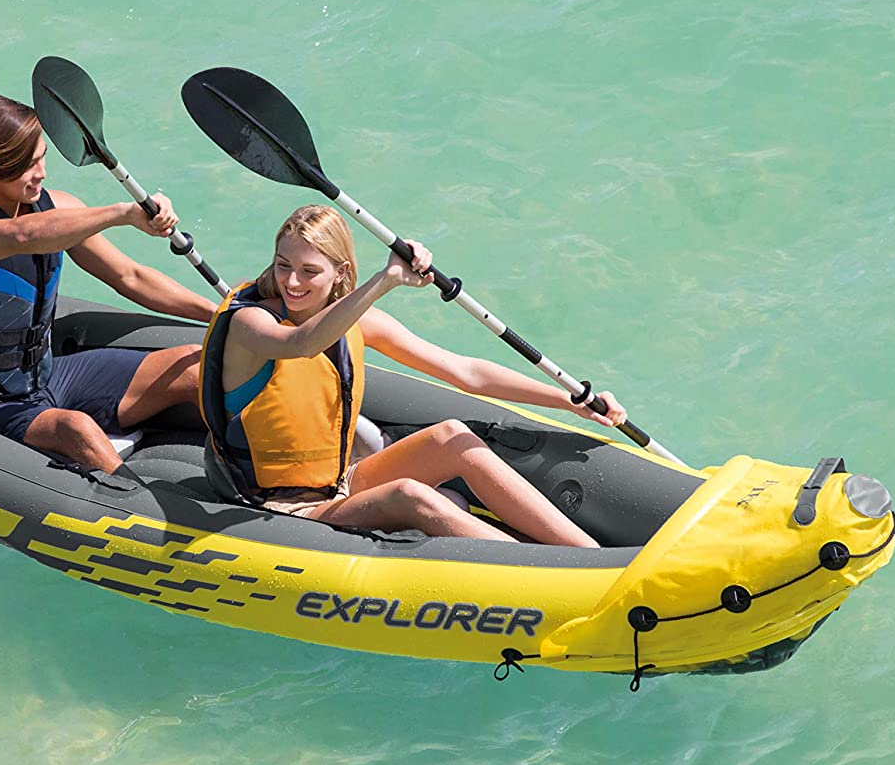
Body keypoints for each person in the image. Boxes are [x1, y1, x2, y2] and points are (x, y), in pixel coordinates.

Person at [198, 204, 628, 547]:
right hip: (276, 506)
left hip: (337, 483)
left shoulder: (358, 324)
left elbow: (466, 371)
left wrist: (571, 401)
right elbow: (300, 344)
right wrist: (386, 280)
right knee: (410, 494)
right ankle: (553, 574)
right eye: (283, 265)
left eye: (309, 271)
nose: (292, 282)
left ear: (340, 273)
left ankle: (588, 555)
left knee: (451, 437)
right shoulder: (251, 324)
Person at [0, 93, 218, 472]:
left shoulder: (58, 207)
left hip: (49, 378)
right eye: (28, 165)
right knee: (77, 429)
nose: (42, 172)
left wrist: (221, 313)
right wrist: (122, 213)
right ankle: (132, 498)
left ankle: (265, 468)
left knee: (195, 365)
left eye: (42, 157)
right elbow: (22, 236)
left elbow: (130, 276)